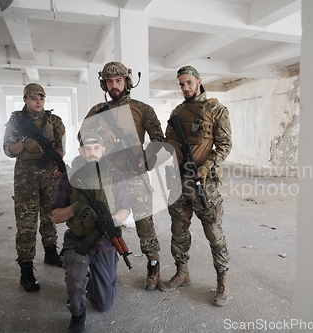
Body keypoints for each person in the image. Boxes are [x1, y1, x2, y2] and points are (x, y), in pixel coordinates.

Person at [81, 61, 164, 291]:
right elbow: (82, 133)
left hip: (134, 174)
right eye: (109, 82)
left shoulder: (141, 108)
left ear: (126, 81)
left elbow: (158, 138)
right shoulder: (98, 111)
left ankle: (153, 264)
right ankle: (106, 267)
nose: (114, 85)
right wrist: (99, 130)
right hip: (107, 176)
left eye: (118, 81)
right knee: (107, 222)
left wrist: (147, 157)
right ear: (104, 84)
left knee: (144, 221)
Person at [159, 66, 232, 307]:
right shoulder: (177, 112)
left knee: (213, 232)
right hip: (179, 180)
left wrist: (207, 165)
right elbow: (169, 140)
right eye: (181, 84)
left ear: (199, 81)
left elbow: (224, 145)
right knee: (178, 229)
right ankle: (182, 273)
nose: (185, 88)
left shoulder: (216, 109)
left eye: (189, 82)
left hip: (204, 182)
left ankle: (222, 281)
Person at [51, 133, 130, 333]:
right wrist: (74, 208)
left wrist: (110, 221)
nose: (92, 152)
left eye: (96, 148)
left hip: (104, 243)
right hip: (77, 240)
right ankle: (77, 313)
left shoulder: (115, 175)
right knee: (77, 282)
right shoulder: (69, 178)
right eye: (87, 148)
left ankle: (100, 277)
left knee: (104, 305)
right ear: (81, 151)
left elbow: (125, 209)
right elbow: (55, 216)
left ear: (103, 150)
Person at [3, 83, 65, 293]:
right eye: (33, 97)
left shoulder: (54, 120)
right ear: (25, 100)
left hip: (50, 175)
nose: (38, 101)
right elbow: (8, 149)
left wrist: (57, 164)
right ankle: (26, 269)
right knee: (27, 222)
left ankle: (50, 252)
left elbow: (60, 149)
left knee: (50, 216)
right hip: (25, 178)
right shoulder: (16, 121)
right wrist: (24, 142)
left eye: (41, 97)